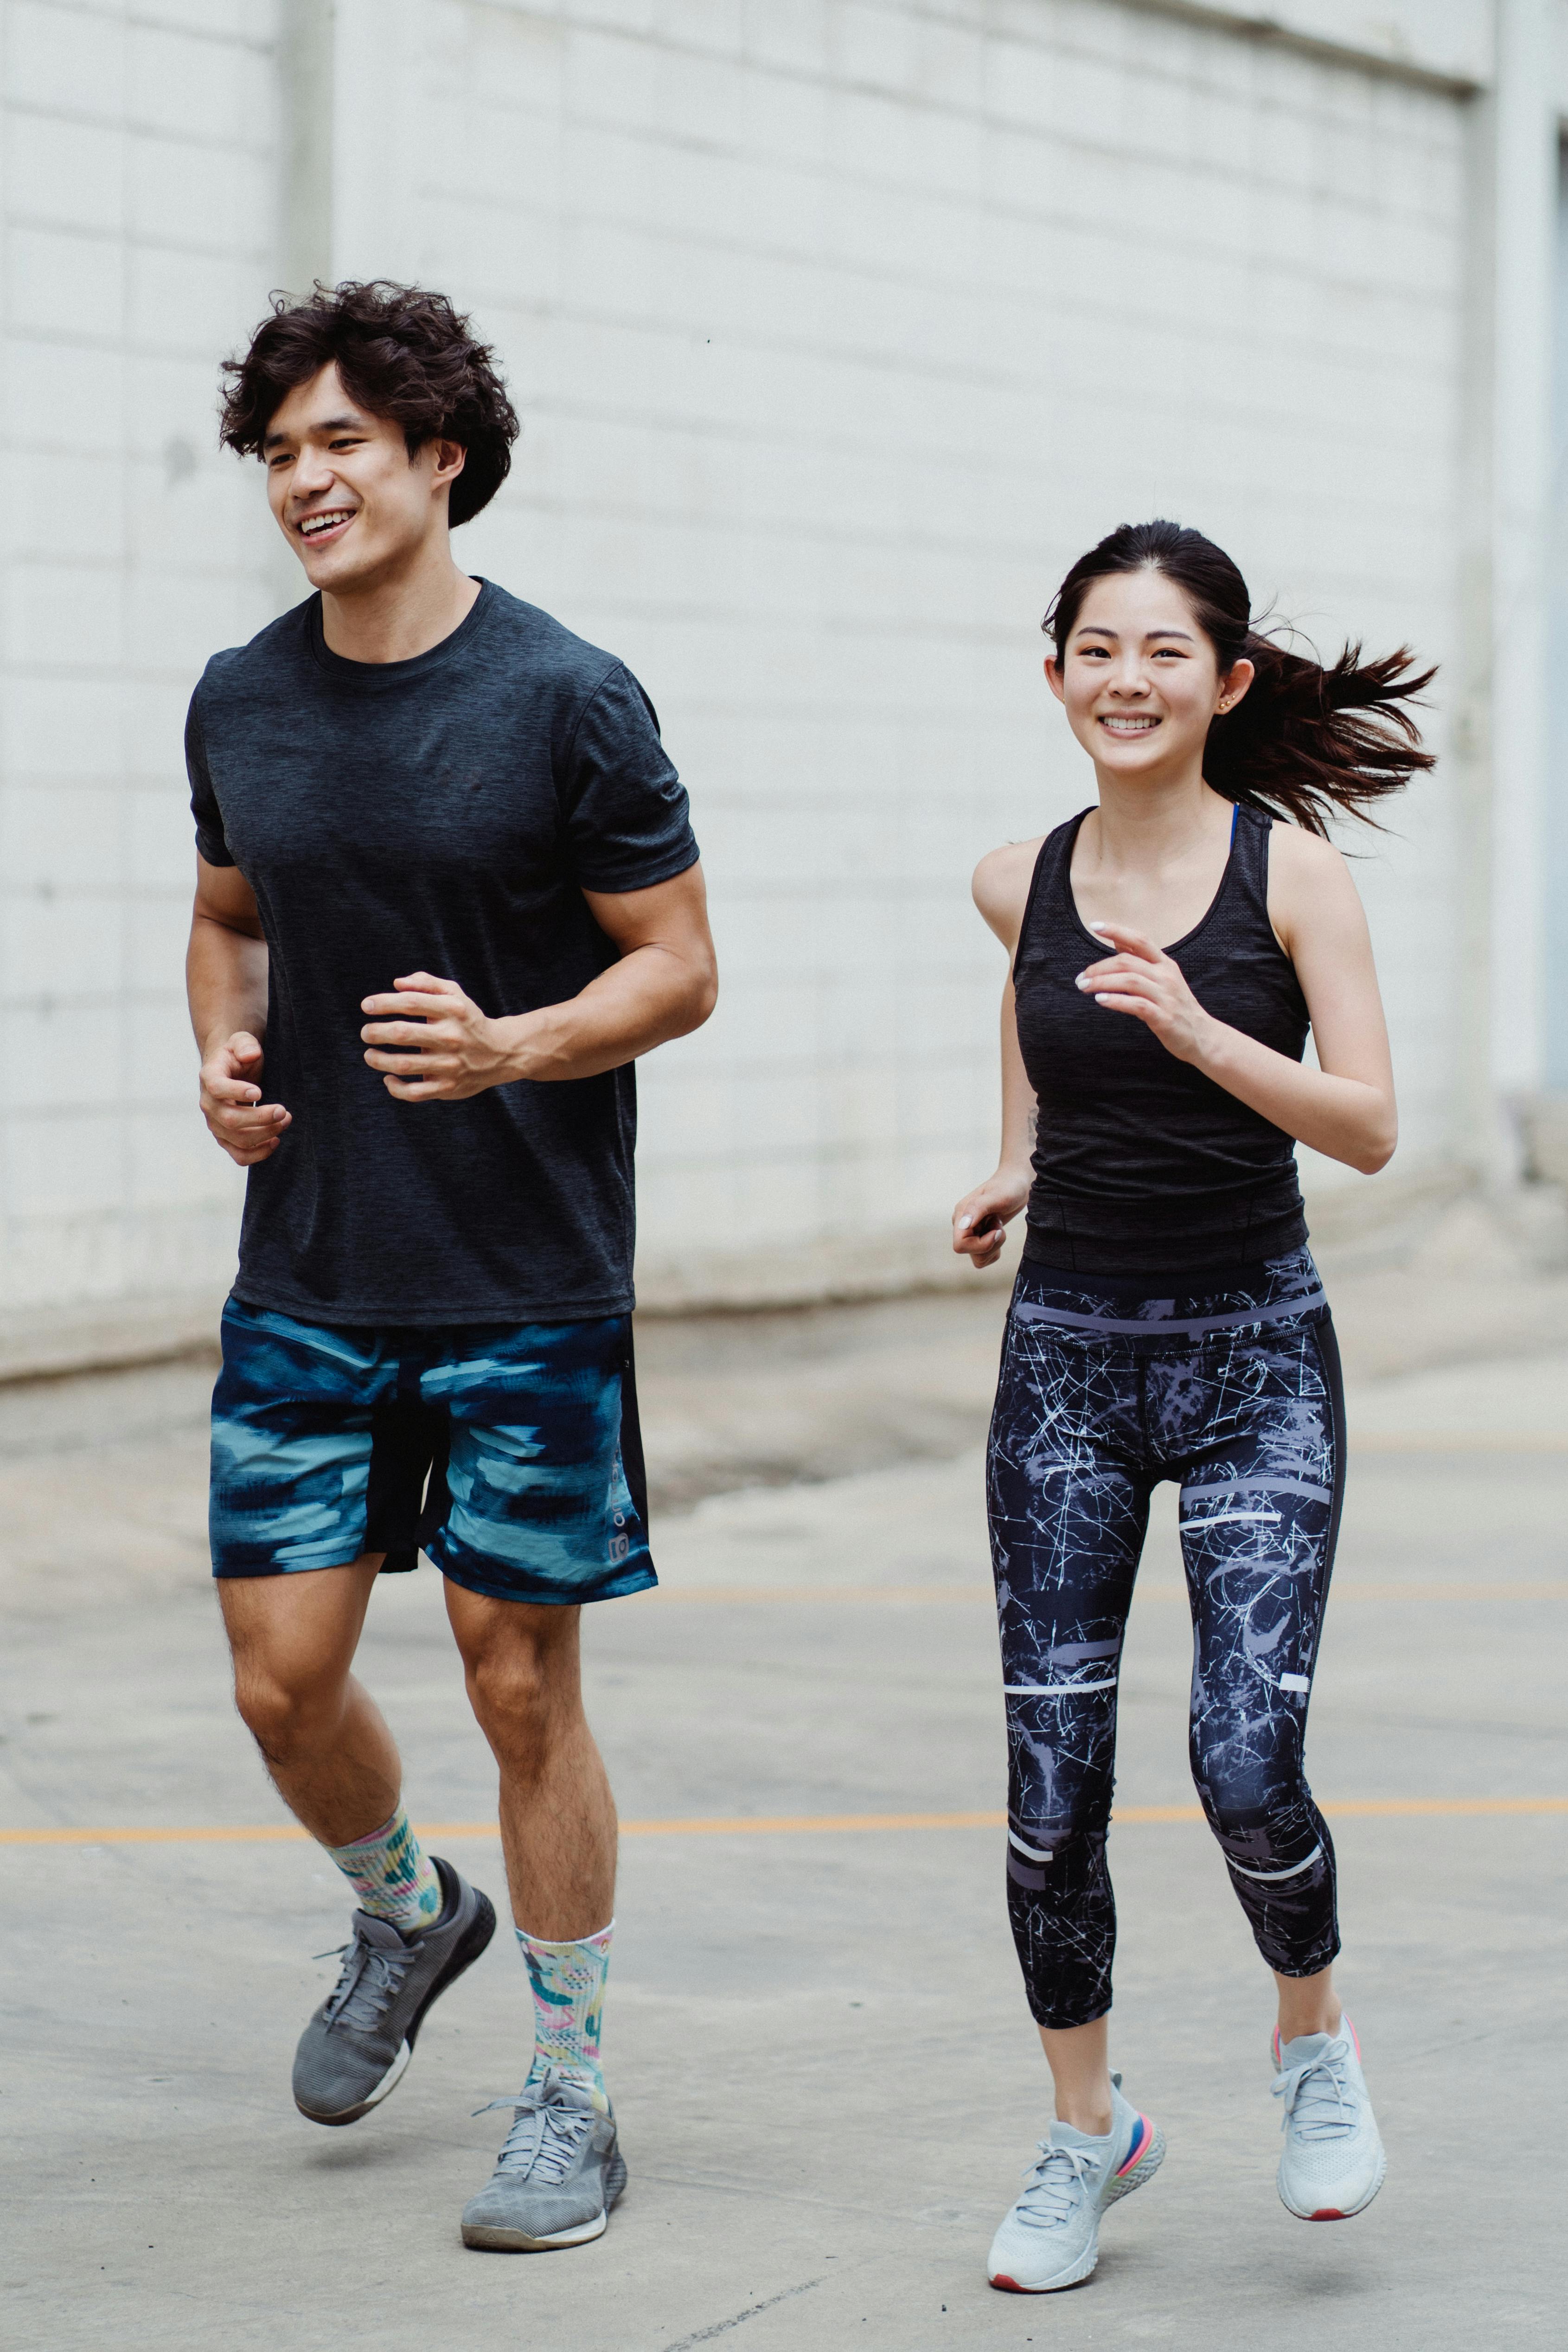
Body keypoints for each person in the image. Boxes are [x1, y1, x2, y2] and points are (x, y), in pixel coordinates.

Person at [185, 279, 717, 2253]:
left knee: (518, 1681)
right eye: (280, 450)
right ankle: (413, 1914)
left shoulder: (567, 696)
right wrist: (221, 1049)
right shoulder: (239, 694)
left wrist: (515, 1041)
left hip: (526, 1274)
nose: (305, 479)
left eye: (341, 442)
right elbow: (227, 912)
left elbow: (679, 962)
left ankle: (570, 2088)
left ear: (440, 459)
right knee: (279, 1677)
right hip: (310, 1271)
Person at [952, 520, 1431, 2294]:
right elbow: (1025, 1011)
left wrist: (1201, 1040)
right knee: (1050, 1792)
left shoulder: (1288, 880)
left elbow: (1373, 1122)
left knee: (1243, 1755)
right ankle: (1091, 2136)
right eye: (1096, 648)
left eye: (1164, 652)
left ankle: (1313, 2043)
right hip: (1066, 1360)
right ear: (1059, 670)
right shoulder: (1018, 878)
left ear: (1225, 684)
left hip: (1253, 1361)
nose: (1126, 680)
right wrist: (1015, 1161)